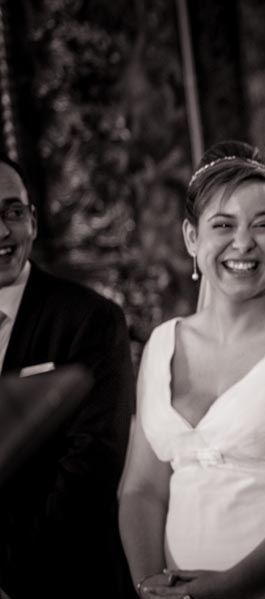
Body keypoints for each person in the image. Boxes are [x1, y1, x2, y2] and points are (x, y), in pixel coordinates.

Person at [119, 141, 265, 598]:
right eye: (223, 225)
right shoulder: (163, 342)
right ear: (191, 237)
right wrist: (149, 585)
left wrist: (224, 589)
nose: (243, 243)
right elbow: (142, 489)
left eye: (263, 225)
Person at [0, 153, 135, 597]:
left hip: (67, 580)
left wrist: (11, 576)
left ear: (33, 221)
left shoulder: (90, 320)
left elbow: (92, 464)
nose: (2, 232)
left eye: (12, 213)